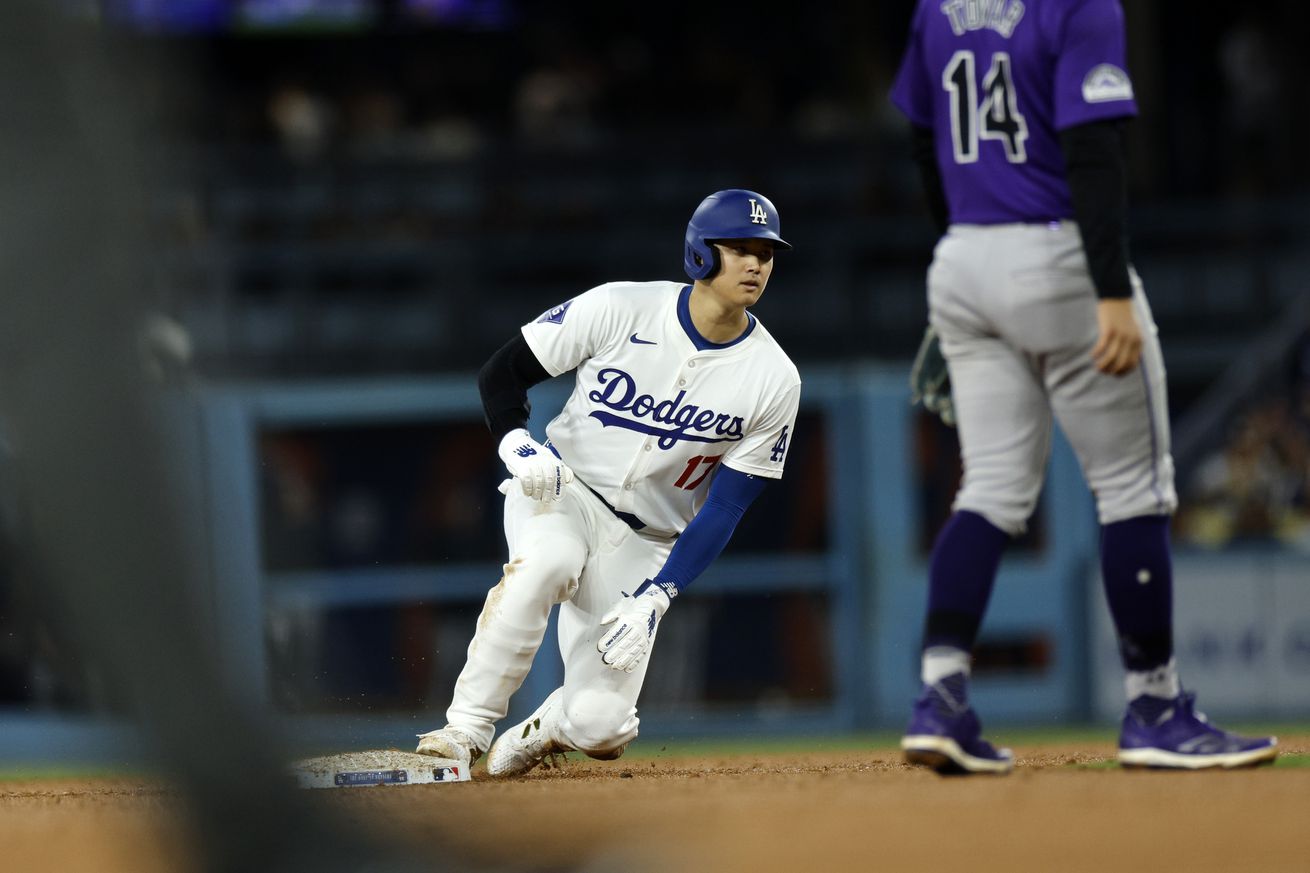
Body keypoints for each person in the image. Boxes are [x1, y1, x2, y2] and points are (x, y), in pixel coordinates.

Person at [890, 0, 1277, 773]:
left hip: (964, 255)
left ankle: (940, 696)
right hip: (1059, 255)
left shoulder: (937, 6)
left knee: (992, 488)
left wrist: (967, 255)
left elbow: (923, 139)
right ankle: (1156, 704)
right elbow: (1093, 148)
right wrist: (1109, 293)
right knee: (1134, 487)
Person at [415, 189, 801, 777]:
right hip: (560, 490)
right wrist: (514, 442)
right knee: (545, 565)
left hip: (648, 541)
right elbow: (503, 373)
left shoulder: (774, 377)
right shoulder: (622, 307)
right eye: (738, 248)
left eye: (766, 253)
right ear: (700, 254)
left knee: (603, 727)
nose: (754, 264)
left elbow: (725, 507)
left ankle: (546, 726)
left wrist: (659, 594)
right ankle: (463, 729)